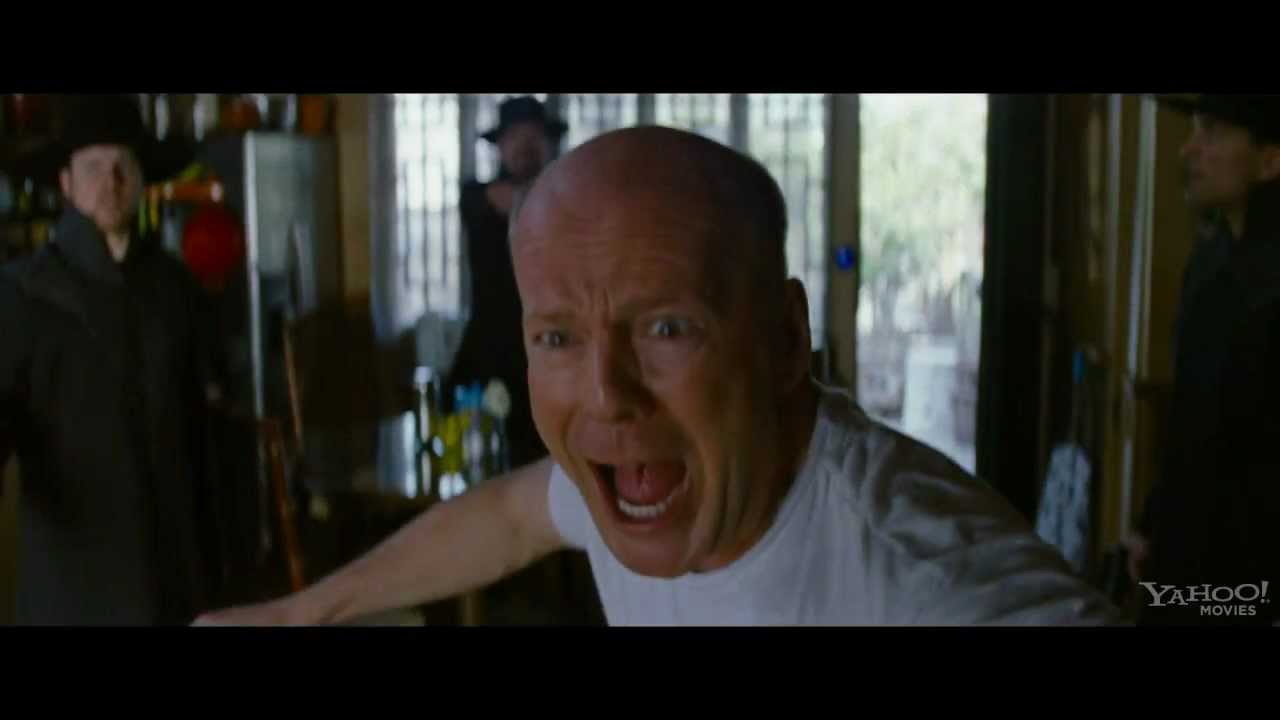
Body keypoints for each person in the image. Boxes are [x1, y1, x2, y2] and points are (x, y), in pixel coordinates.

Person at [196, 127, 1122, 626]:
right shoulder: (643, 481)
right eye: (558, 338)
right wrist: (297, 614)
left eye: (667, 328)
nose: (607, 396)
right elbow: (512, 516)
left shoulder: (926, 582)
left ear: (785, 340)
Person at [0, 94, 219, 625]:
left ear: (142, 179)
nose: (111, 181)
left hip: (174, 571)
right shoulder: (26, 294)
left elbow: (201, 435)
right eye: (93, 167)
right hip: (74, 576)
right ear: (66, 183)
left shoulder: (174, 288)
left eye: (123, 165)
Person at [1126, 95, 1280, 626]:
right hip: (1183, 557)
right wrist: (1151, 522)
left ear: (1269, 160)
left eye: (1211, 131)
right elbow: (1191, 420)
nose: (1188, 149)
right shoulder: (1209, 263)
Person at [447, 96, 566, 470]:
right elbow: (512, 200)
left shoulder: (565, 197)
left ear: (548, 143)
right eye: (515, 137)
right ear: (499, 146)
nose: (525, 146)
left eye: (533, 137)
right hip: (490, 350)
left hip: (551, 349)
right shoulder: (478, 196)